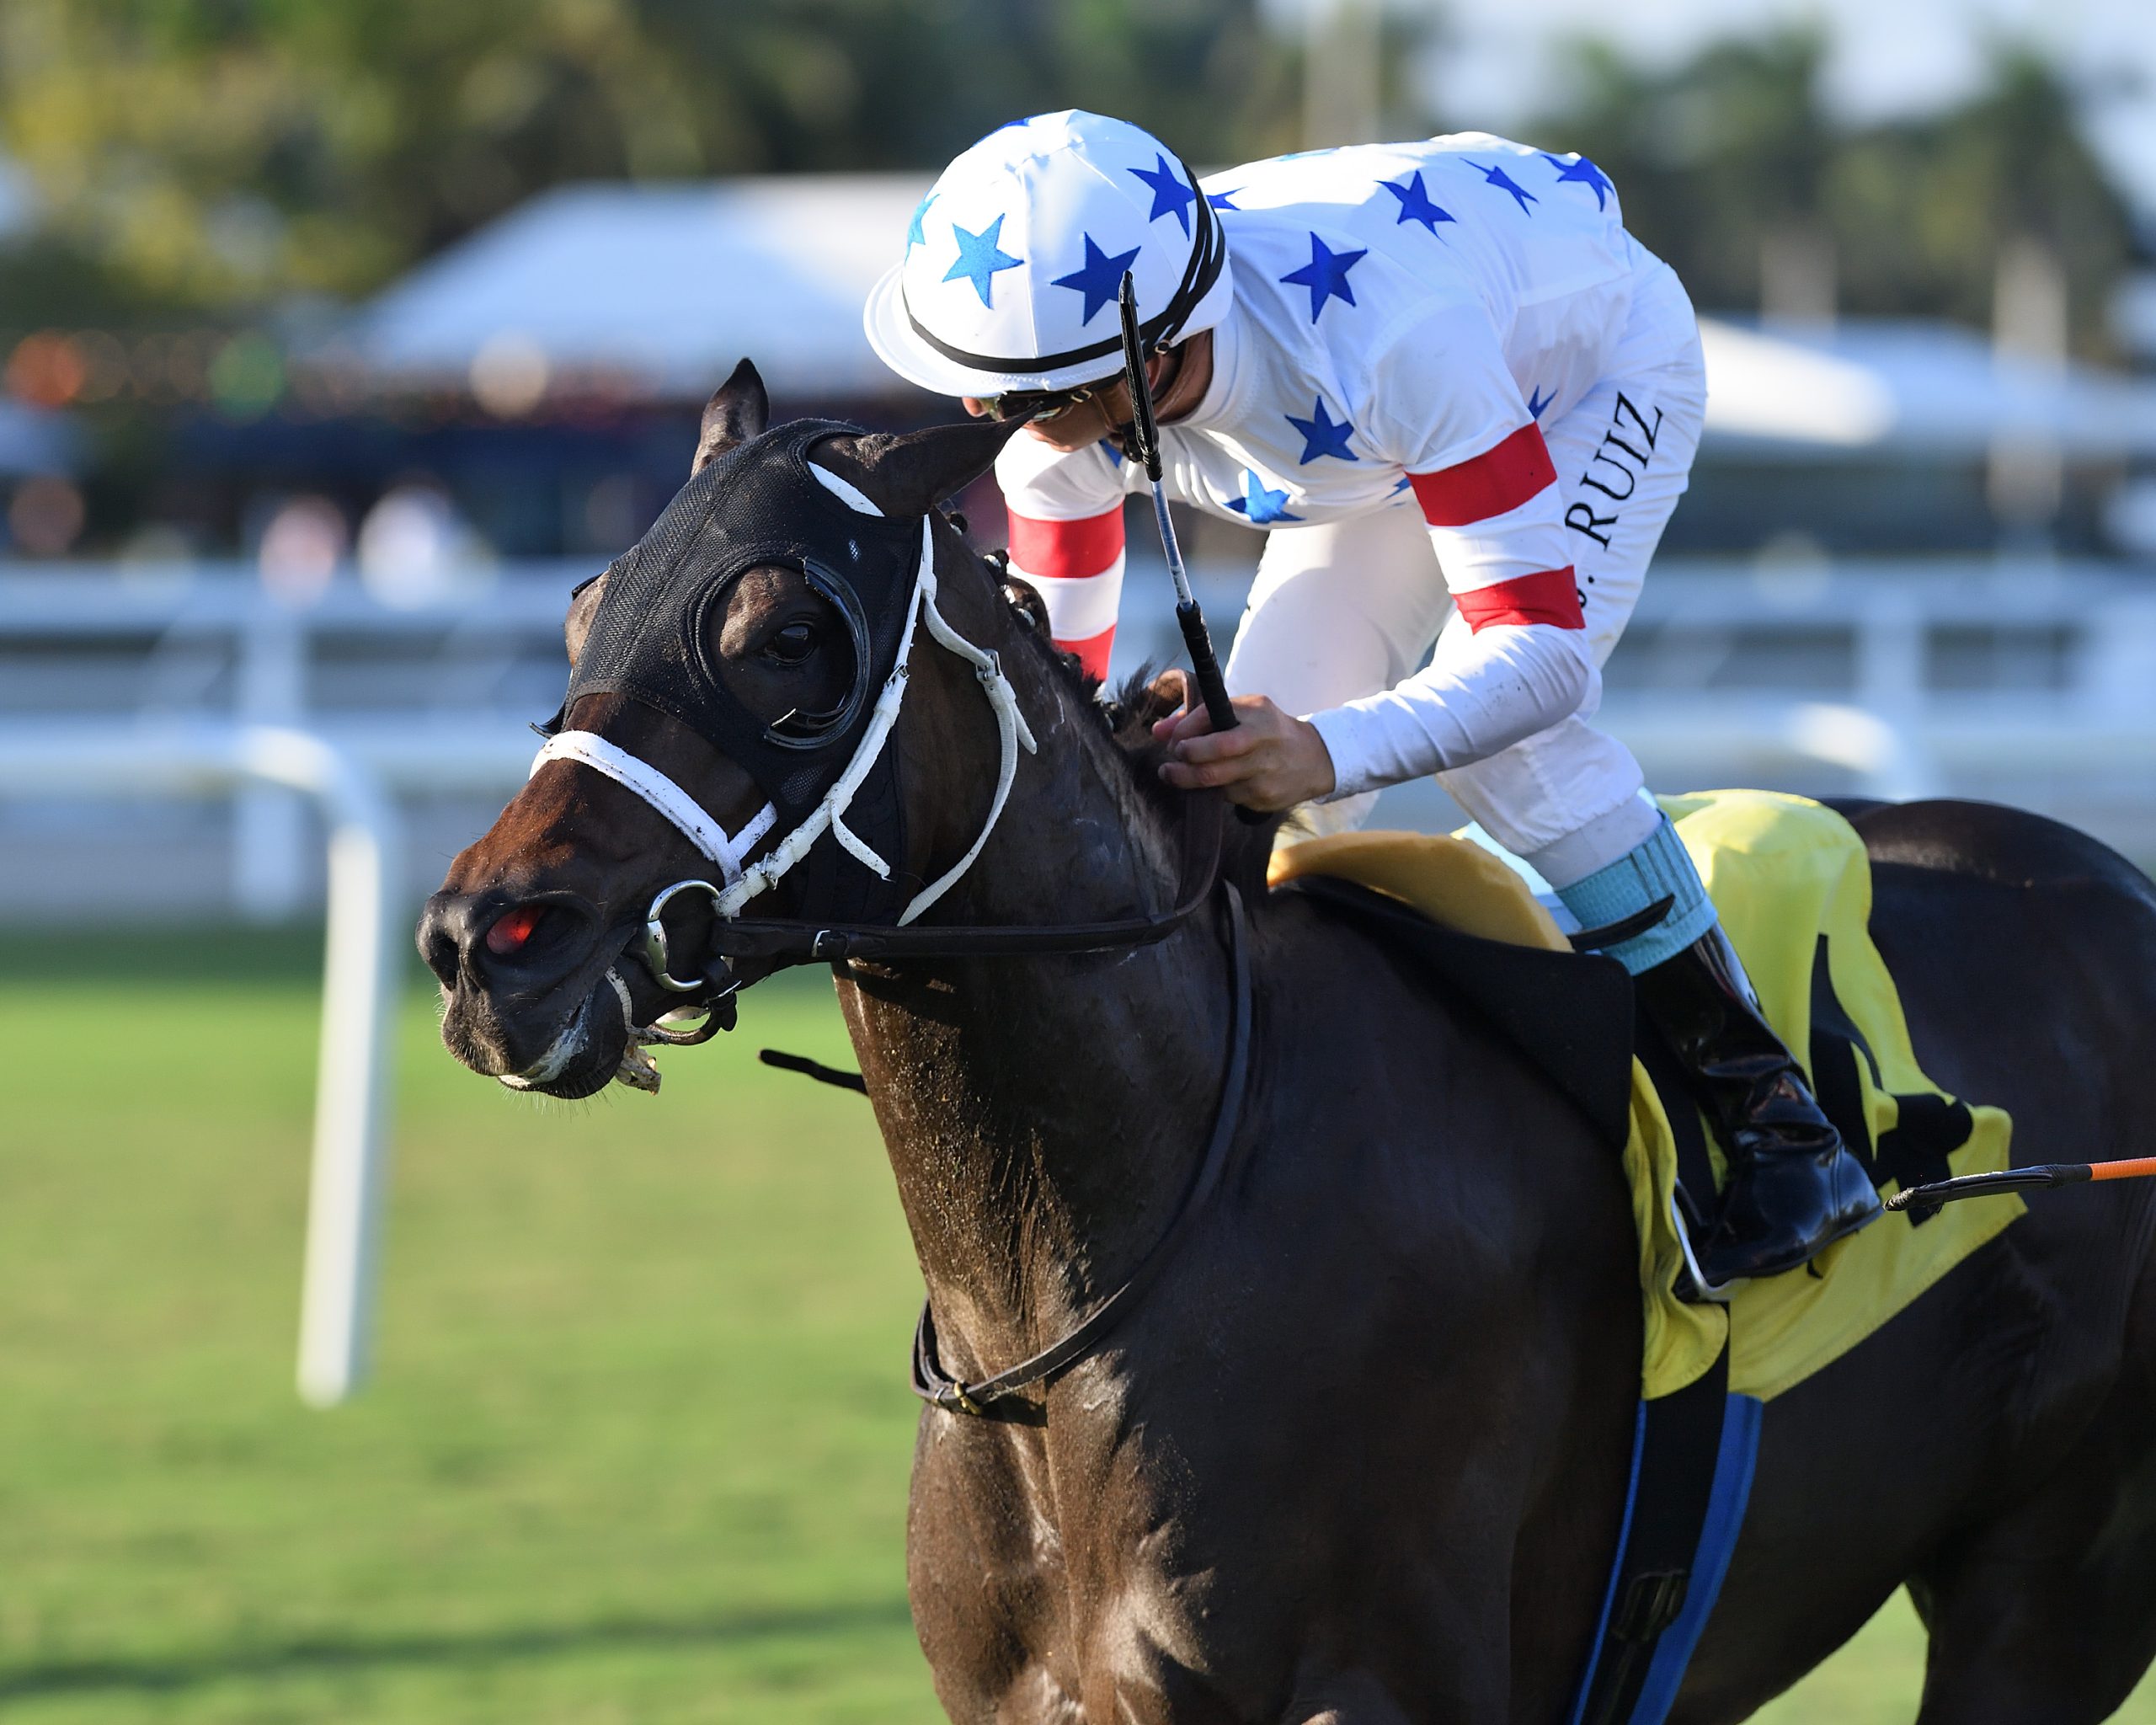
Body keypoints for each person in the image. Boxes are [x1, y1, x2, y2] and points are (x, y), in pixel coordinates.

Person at [863, 110, 1877, 1285]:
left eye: (1014, 403)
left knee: (1507, 752)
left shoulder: (1391, 340)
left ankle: (1779, 1125)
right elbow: (1061, 716)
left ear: (1142, 362)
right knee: (1236, 794)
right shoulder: (1064, 407)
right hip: (1395, 446)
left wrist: (1330, 754)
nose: (988, 428)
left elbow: (1543, 660)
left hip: (1582, 379)